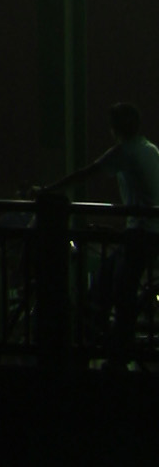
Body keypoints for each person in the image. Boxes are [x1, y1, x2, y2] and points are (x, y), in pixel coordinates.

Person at [59, 100, 158, 357]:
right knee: (112, 274)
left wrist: (48, 191)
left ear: (115, 128)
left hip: (141, 232)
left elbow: (86, 173)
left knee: (121, 290)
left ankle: (119, 348)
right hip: (151, 230)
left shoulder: (125, 151)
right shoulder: (150, 149)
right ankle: (116, 338)